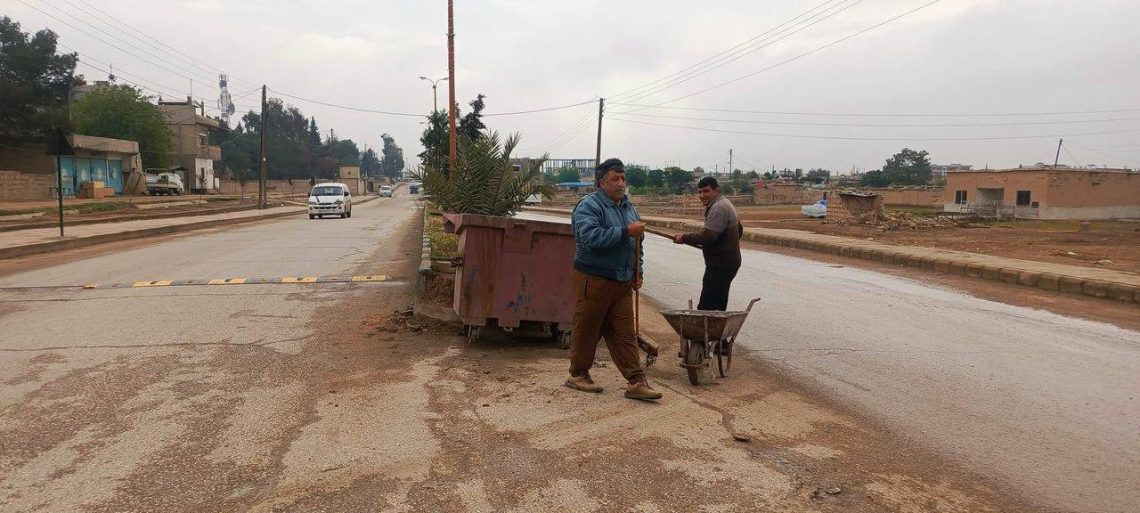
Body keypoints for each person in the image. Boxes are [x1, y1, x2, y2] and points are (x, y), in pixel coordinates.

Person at [566, 158, 662, 401]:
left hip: (621, 282)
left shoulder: (628, 207)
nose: (621, 183)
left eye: (623, 178)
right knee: (588, 328)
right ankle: (578, 375)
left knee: (625, 333)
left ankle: (636, 381)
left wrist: (637, 272)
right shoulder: (589, 206)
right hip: (594, 278)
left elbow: (637, 244)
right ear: (602, 182)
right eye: (615, 179)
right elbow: (590, 238)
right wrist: (625, 232)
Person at [673, 176, 743, 311]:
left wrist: (684, 238)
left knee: (707, 307)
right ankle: (715, 331)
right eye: (699, 192)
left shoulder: (718, 207)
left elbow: (708, 237)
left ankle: (708, 332)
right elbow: (739, 230)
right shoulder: (725, 203)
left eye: (706, 191)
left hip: (720, 265)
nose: (702, 195)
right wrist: (723, 244)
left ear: (716, 190)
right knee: (717, 305)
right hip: (727, 262)